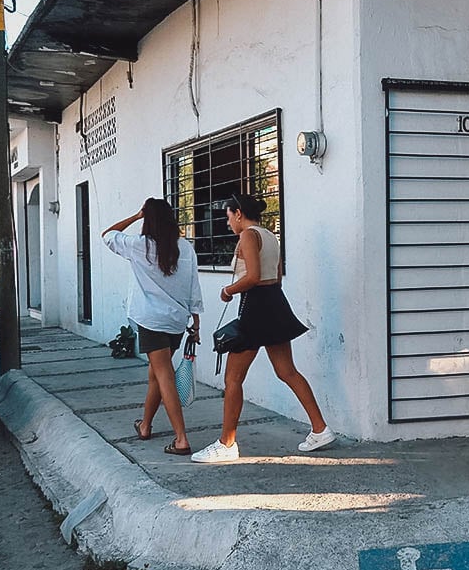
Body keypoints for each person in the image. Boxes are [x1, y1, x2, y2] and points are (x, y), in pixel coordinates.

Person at [191, 194, 333, 463]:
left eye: (228, 216)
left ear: (239, 214)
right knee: (287, 371)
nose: (228, 222)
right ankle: (320, 429)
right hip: (274, 301)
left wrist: (227, 290)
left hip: (255, 305)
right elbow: (275, 276)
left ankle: (227, 443)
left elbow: (252, 277)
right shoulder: (269, 235)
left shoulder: (247, 235)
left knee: (233, 378)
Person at [102, 198, 202, 457]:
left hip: (151, 321)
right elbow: (193, 286)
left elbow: (108, 235)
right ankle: (145, 425)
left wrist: (136, 216)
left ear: (149, 219)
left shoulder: (140, 246)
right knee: (155, 374)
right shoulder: (185, 248)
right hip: (177, 322)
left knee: (164, 375)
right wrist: (196, 321)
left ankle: (181, 438)